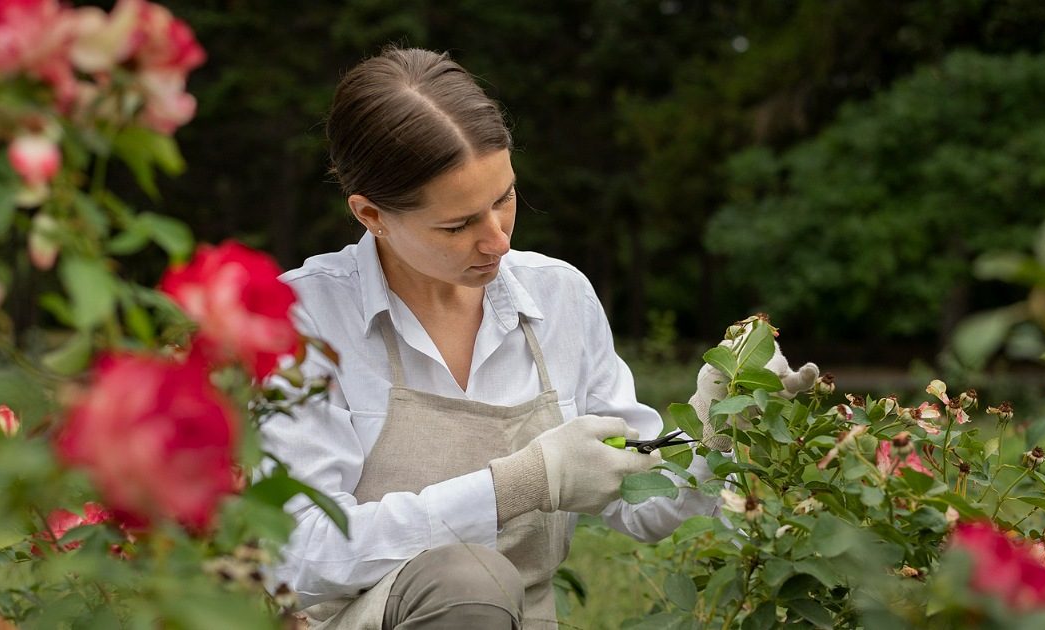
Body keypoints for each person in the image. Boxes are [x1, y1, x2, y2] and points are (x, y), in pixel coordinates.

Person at [261, 47, 817, 629]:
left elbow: (643, 502)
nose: (497, 240)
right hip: (354, 620)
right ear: (371, 215)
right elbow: (299, 552)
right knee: (466, 582)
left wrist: (717, 428)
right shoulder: (307, 317)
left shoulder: (557, 298)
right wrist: (518, 485)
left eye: (504, 199)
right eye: (457, 225)